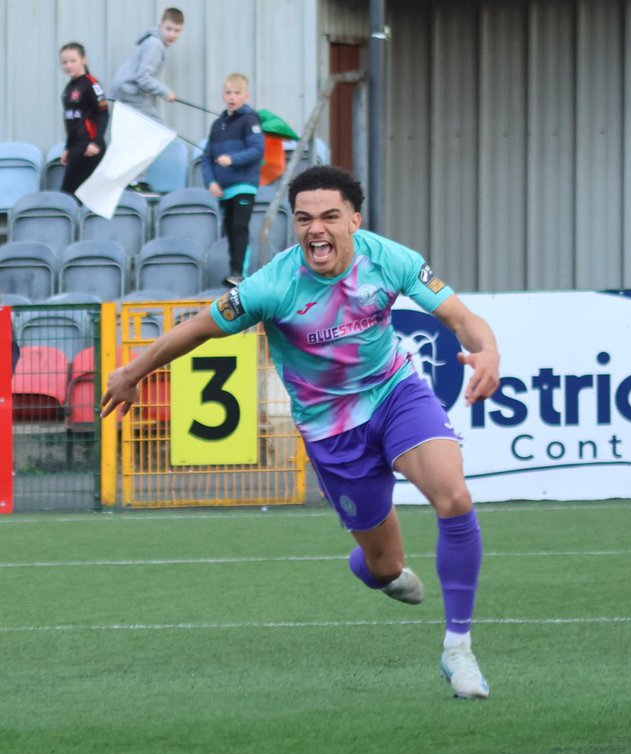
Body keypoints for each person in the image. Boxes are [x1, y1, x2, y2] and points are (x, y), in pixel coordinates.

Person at [102, 165, 500, 700]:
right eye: (305, 218)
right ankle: (376, 569)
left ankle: (459, 650)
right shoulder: (272, 285)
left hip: (394, 394)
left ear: (354, 220)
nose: (317, 228)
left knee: (454, 497)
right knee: (386, 566)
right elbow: (196, 329)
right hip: (332, 432)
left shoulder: (391, 259)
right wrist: (133, 371)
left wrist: (488, 350)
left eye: (331, 216)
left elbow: (460, 317)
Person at [201, 73, 265, 288]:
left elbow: (257, 150)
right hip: (224, 189)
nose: (232, 97)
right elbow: (207, 158)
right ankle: (234, 271)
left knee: (239, 227)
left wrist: (233, 159)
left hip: (244, 185)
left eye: (237, 93)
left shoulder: (250, 120)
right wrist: (211, 182)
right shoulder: (217, 124)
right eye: (228, 92)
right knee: (229, 230)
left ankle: (239, 273)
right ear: (222, 95)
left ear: (245, 95)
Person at [109, 7, 184, 124]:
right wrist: (165, 92)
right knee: (158, 127)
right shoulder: (155, 46)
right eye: (168, 29)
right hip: (128, 91)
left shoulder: (152, 42)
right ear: (160, 26)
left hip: (124, 90)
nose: (171, 34)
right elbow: (143, 78)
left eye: (177, 30)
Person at [58, 42, 108, 197]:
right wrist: (68, 148)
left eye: (73, 61)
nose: (68, 65)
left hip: (89, 149)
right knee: (76, 194)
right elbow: (71, 122)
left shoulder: (90, 83)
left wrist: (97, 142)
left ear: (83, 60)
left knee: (68, 193)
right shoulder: (69, 87)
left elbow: (104, 113)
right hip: (76, 148)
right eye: (64, 62)